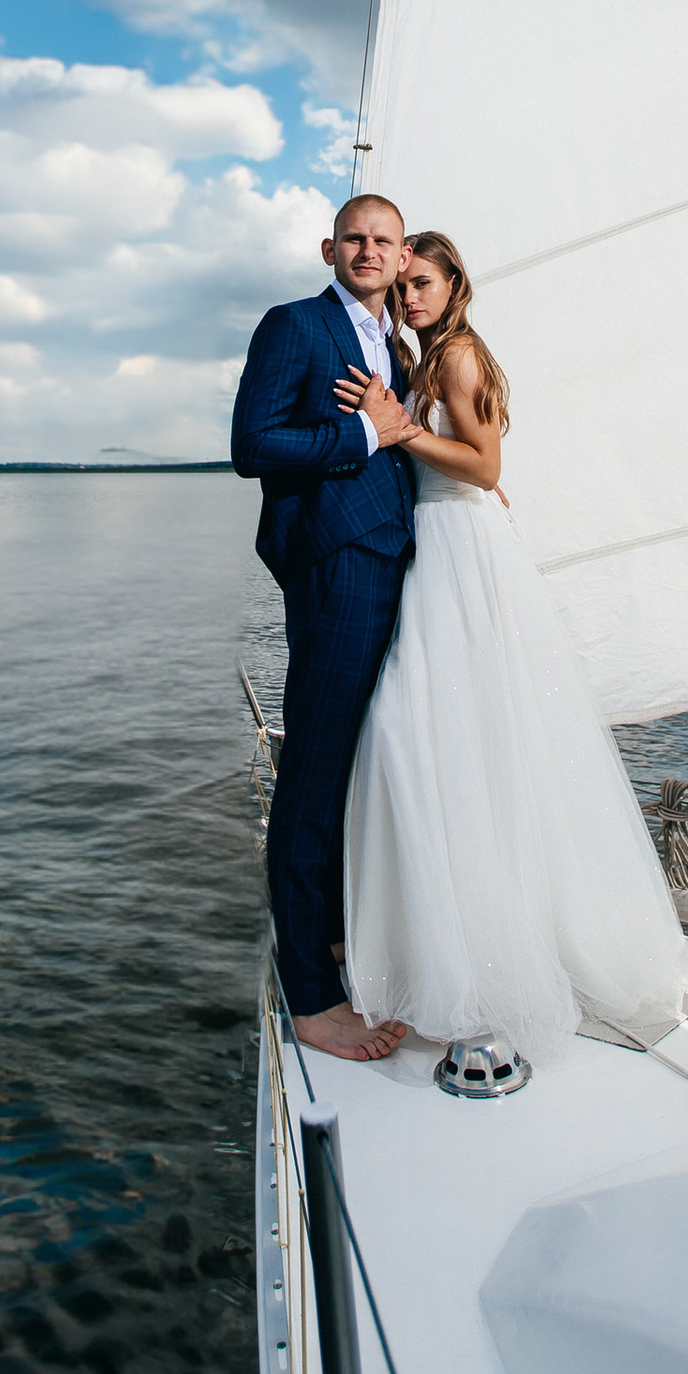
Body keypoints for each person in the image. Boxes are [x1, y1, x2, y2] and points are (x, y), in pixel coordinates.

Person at [341, 230, 688, 1067]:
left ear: (453, 284)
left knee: (430, 728)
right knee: (436, 733)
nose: (410, 298)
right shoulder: (425, 357)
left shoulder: (459, 355)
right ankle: (455, 937)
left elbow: (482, 461)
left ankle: (495, 955)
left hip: (462, 553)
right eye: (402, 287)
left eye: (422, 282)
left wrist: (398, 432)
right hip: (439, 545)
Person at [231, 192, 420, 1062]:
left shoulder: (401, 342)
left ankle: (340, 939)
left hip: (396, 562)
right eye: (354, 238)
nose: (368, 250)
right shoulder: (295, 326)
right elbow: (254, 446)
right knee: (312, 772)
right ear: (328, 248)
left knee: (359, 764)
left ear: (402, 250)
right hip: (335, 561)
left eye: (383, 240)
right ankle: (310, 994)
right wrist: (364, 433)